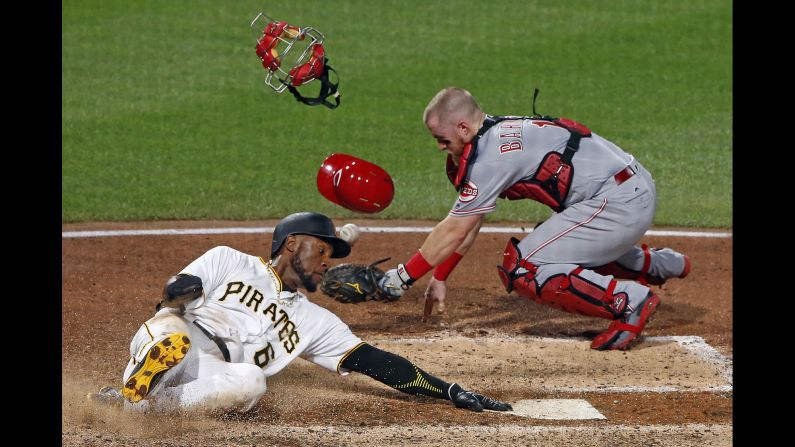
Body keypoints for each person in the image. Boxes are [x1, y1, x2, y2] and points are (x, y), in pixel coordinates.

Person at [87, 211, 512, 414]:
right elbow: (174, 293)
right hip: (178, 333)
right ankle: (143, 383)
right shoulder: (229, 260)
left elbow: (376, 362)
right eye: (323, 251)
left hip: (215, 371)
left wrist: (450, 390)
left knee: (252, 383)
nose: (326, 263)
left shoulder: (315, 321)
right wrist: (184, 290)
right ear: (292, 245)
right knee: (172, 333)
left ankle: (133, 406)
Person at [377, 87, 691, 351]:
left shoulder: (490, 156)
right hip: (625, 192)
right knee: (553, 245)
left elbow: (456, 227)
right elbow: (470, 222)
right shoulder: (492, 135)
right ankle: (657, 264)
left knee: (526, 266)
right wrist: (441, 275)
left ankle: (629, 301)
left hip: (619, 204)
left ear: (462, 127)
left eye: (442, 139)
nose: (440, 147)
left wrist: (402, 277)